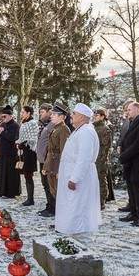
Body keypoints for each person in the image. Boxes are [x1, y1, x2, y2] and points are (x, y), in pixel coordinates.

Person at [56, 103, 102, 244]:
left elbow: (84, 158)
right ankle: (75, 240)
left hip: (81, 179)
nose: (71, 116)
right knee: (73, 210)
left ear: (82, 117)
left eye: (74, 114)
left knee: (80, 209)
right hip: (73, 176)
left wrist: (74, 179)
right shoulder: (80, 130)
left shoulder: (86, 132)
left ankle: (84, 244)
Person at [117, 101, 139, 227]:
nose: (127, 113)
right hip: (130, 162)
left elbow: (138, 145)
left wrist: (123, 156)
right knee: (131, 189)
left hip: (138, 163)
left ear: (137, 110)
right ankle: (133, 212)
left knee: (138, 190)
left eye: (129, 110)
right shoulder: (133, 123)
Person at [40, 102, 71, 217]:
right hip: (52, 163)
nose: (51, 116)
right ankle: (60, 219)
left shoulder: (64, 129)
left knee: (60, 193)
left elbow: (64, 151)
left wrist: (60, 169)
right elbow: (50, 150)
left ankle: (63, 218)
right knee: (54, 191)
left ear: (62, 116)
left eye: (54, 114)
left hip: (57, 164)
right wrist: (46, 167)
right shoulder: (55, 128)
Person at [0, 106, 21, 198]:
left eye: (5, 116)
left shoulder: (15, 126)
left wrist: (2, 132)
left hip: (11, 153)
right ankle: (2, 191)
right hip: (3, 152)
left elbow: (12, 138)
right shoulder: (3, 125)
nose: (3, 118)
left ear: (11, 116)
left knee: (10, 173)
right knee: (2, 172)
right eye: (2, 117)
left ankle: (11, 192)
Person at [35, 103, 56, 216]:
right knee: (45, 183)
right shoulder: (44, 124)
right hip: (42, 159)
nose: (40, 114)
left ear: (49, 112)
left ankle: (52, 207)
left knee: (49, 184)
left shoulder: (52, 125)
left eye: (42, 112)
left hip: (48, 159)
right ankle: (49, 205)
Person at [16, 105, 39, 206]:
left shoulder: (32, 123)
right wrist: (19, 143)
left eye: (23, 112)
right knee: (26, 175)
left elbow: (33, 138)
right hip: (23, 152)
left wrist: (23, 144)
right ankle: (29, 197)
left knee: (28, 175)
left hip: (29, 152)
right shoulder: (24, 123)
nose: (22, 114)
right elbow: (21, 136)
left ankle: (31, 198)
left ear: (29, 113)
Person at [115, 99, 135, 213]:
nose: (126, 112)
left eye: (127, 109)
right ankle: (130, 203)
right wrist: (119, 145)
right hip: (125, 152)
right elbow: (122, 136)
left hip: (130, 155)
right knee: (129, 183)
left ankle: (133, 205)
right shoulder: (127, 121)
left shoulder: (134, 122)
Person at [93, 108, 114, 210]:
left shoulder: (105, 129)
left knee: (101, 180)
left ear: (102, 116)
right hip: (93, 158)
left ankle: (101, 201)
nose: (95, 117)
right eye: (94, 116)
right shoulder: (92, 128)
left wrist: (103, 161)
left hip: (101, 159)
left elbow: (106, 147)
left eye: (97, 115)